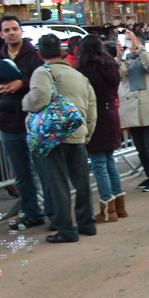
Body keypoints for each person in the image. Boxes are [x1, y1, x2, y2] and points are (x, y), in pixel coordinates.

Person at [23, 34, 98, 244]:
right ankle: (87, 223)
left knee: (58, 184)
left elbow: (39, 98)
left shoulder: (42, 72)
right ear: (63, 52)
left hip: (54, 136)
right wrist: (87, 132)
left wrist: (24, 103)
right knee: (82, 181)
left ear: (39, 53)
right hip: (78, 133)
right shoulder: (79, 76)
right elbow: (92, 107)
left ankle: (66, 229)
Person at [0, 14, 49, 228]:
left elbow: (46, 81)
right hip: (8, 123)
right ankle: (32, 213)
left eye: (15, 28)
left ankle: (53, 211)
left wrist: (22, 83)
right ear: (1, 34)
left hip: (33, 122)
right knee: (21, 174)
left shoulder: (34, 56)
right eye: (7, 30)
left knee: (43, 170)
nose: (12, 32)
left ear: (21, 31)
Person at [76, 35, 126, 223]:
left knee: (99, 164)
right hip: (111, 114)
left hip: (95, 117)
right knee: (109, 162)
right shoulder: (111, 66)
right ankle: (119, 206)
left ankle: (108, 208)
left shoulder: (86, 71)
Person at [118, 30, 149, 193]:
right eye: (129, 43)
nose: (131, 47)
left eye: (134, 42)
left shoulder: (147, 56)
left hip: (147, 108)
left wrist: (139, 49)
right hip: (131, 110)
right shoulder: (125, 61)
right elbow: (118, 75)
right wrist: (117, 56)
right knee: (140, 146)